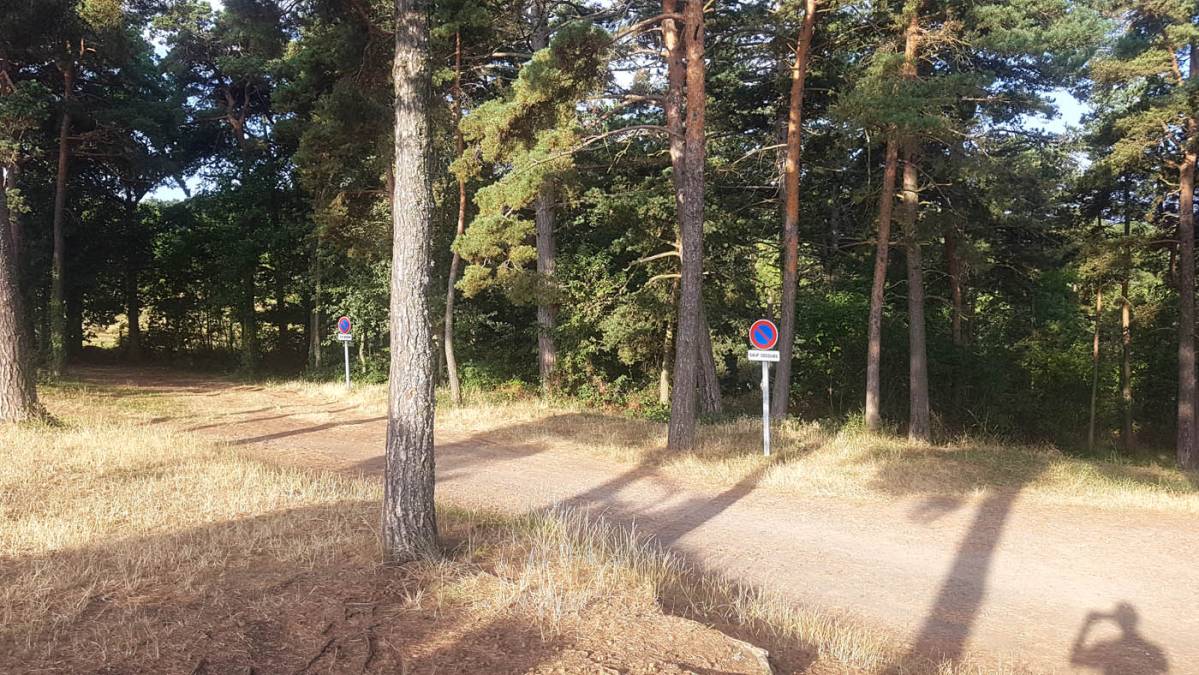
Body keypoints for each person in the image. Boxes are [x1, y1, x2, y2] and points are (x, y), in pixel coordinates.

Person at [1070, 602, 1167, 674]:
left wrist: (1087, 626)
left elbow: (1076, 659)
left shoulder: (1109, 648)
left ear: (1117, 621)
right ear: (1136, 619)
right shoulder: (1152, 651)